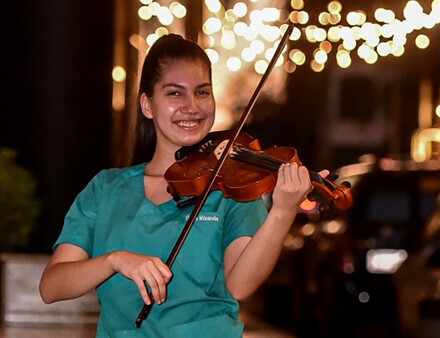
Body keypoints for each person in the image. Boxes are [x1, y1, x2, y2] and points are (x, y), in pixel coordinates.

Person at [39, 33, 316, 337]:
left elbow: (240, 286)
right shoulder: (105, 188)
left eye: (202, 92)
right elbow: (52, 286)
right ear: (147, 104)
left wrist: (282, 212)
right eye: (174, 93)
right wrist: (114, 260)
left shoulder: (229, 187)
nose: (192, 107)